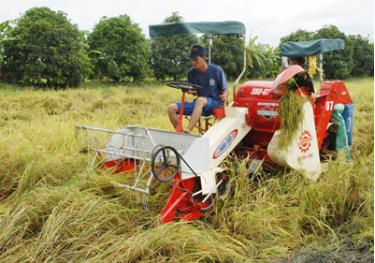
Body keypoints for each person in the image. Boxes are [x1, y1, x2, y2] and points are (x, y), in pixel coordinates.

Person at [167, 45, 228, 133]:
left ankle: (188, 130)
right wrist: (189, 90)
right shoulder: (191, 72)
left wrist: (225, 95)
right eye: (192, 59)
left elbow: (225, 89)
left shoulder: (217, 70)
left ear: (203, 58)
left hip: (214, 103)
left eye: (196, 59)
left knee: (200, 100)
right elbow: (194, 91)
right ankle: (181, 133)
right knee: (171, 108)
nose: (193, 62)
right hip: (199, 105)